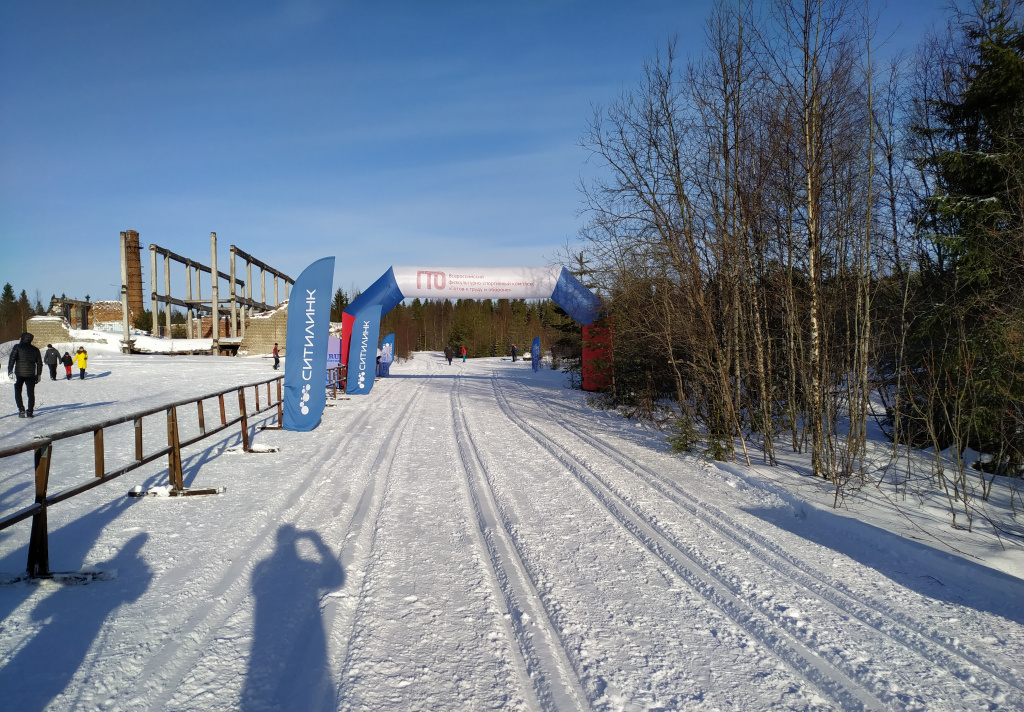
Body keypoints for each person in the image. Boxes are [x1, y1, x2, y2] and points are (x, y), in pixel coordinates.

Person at [8, 332, 42, 418]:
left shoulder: (17, 347)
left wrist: (10, 370)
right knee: (31, 393)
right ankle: (30, 411)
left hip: (19, 373)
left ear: (23, 338)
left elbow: (12, 359)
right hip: (31, 374)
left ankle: (21, 409)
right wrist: (38, 375)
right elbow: (39, 363)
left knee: (18, 390)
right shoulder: (35, 349)